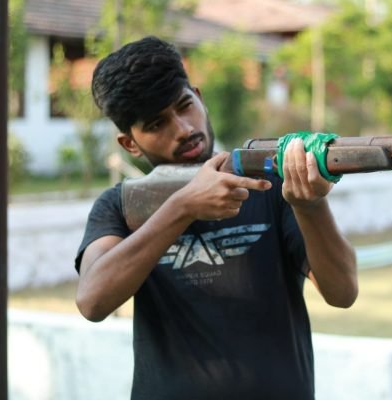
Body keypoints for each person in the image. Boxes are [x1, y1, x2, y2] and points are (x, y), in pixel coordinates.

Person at [74, 36, 358, 400]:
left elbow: (343, 292)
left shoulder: (270, 184)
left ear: (199, 97)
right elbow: (92, 301)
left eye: (184, 106)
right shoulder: (118, 205)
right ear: (130, 143)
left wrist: (310, 205)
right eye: (157, 123)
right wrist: (182, 207)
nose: (183, 128)